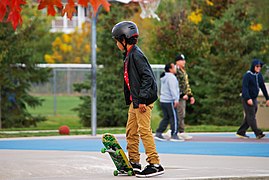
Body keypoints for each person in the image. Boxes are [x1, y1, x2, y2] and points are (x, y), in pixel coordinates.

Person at [111, 21, 164, 178]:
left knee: (144, 131)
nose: (116, 44)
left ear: (124, 39)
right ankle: (134, 163)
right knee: (131, 131)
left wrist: (142, 100)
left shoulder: (136, 55)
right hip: (136, 100)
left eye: (117, 40)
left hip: (142, 101)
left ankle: (155, 164)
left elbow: (148, 77)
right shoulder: (129, 55)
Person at [236, 59, 269, 139]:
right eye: (257, 66)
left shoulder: (259, 76)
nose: (259, 68)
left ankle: (241, 132)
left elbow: (263, 87)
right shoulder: (247, 75)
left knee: (250, 115)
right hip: (247, 98)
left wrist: (267, 98)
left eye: (260, 66)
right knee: (251, 116)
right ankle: (258, 133)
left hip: (254, 98)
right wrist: (248, 98)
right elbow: (245, 88)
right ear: (253, 66)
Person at [155, 63, 183, 142]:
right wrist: (176, 99)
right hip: (169, 100)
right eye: (174, 67)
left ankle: (159, 132)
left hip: (163, 100)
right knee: (174, 117)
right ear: (170, 69)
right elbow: (173, 89)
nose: (175, 68)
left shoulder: (165, 77)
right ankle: (174, 134)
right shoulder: (171, 77)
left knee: (166, 117)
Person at [171, 54, 195, 140]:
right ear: (177, 61)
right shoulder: (176, 71)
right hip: (178, 96)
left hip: (184, 96)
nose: (184, 62)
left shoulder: (183, 71)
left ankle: (180, 130)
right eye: (182, 60)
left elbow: (186, 84)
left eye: (184, 60)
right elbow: (175, 84)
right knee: (179, 113)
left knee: (182, 113)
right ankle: (177, 131)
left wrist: (190, 95)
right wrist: (181, 94)